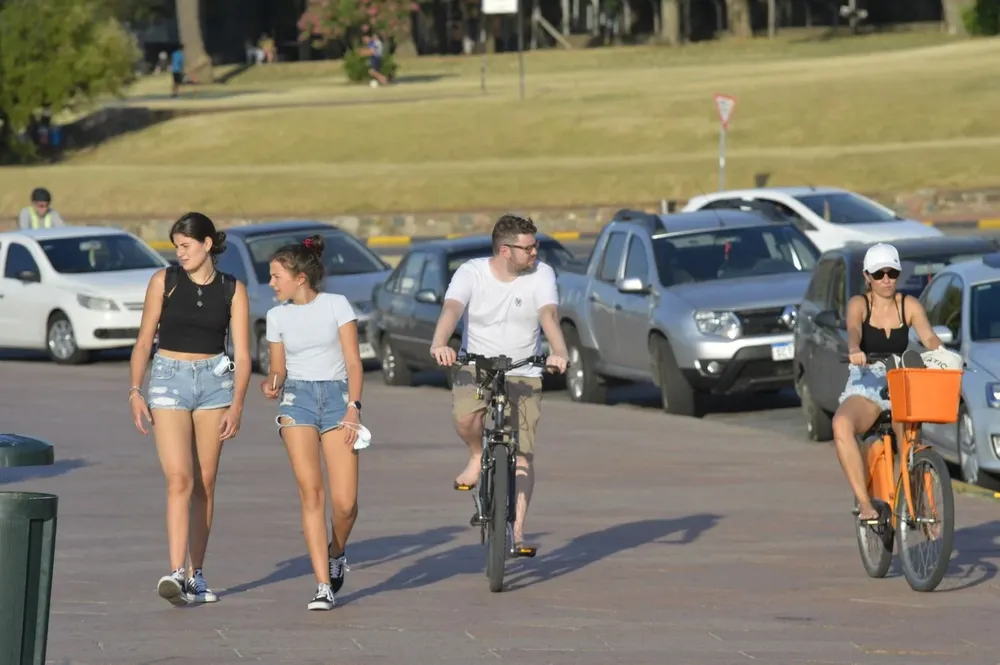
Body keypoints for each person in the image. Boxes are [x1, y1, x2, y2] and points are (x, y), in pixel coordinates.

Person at [128, 212, 251, 606]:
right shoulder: (163, 282)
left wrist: (238, 405)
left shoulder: (234, 290)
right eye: (176, 246)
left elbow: (244, 356)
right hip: (167, 381)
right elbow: (144, 341)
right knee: (179, 478)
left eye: (186, 246)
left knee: (206, 482)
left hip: (216, 384)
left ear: (207, 244)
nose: (179, 253)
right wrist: (135, 390)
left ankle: (197, 573)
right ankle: (176, 572)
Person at [429, 214, 569, 555]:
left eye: (536, 246)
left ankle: (518, 533)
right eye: (528, 248)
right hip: (477, 364)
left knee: (522, 453)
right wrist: (440, 342)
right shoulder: (471, 273)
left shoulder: (542, 274)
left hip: (525, 368)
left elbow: (548, 315)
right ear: (505, 250)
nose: (535, 253)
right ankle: (477, 455)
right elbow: (451, 308)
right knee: (466, 419)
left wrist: (559, 352)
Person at [260, 235, 365, 611]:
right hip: (297, 402)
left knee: (346, 503)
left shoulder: (337, 305)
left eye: (276, 276)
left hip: (338, 399)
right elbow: (277, 369)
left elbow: (353, 361)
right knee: (312, 494)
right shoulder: (276, 317)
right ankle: (323, 584)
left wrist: (353, 407)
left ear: (299, 276)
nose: (271, 283)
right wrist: (272, 383)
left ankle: (336, 550)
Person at [831, 243, 943, 524]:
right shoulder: (860, 304)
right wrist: (855, 350)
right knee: (841, 424)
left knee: (909, 440)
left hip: (901, 381)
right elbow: (854, 330)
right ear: (867, 276)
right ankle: (866, 503)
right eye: (878, 273)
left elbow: (929, 338)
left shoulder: (909, 305)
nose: (886, 280)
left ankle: (916, 504)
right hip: (867, 383)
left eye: (892, 272)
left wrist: (943, 355)